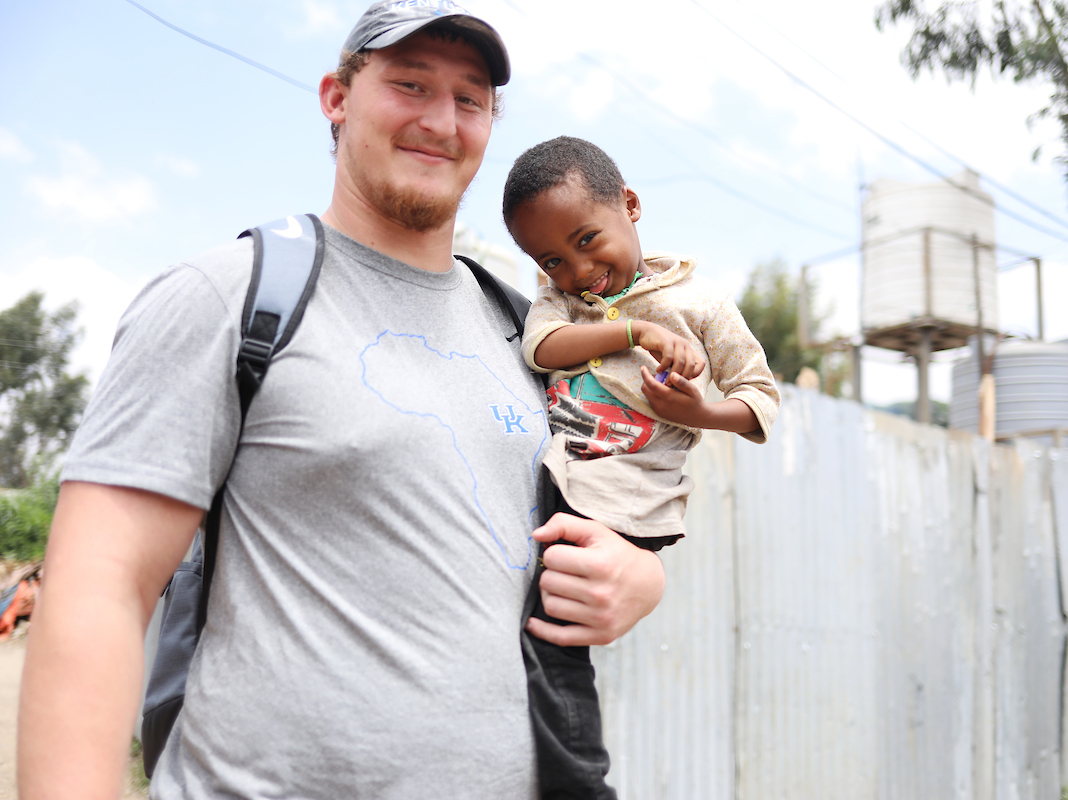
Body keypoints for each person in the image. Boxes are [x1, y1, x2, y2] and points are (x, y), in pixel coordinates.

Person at [17, 5, 666, 799]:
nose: (441, 121)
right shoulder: (230, 298)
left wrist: (641, 575)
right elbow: (99, 589)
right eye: (410, 85)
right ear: (336, 97)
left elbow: (615, 488)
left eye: (469, 99)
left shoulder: (529, 332)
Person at [502, 136, 780, 798]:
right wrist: (636, 332)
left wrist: (701, 411)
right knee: (520, 619)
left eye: (587, 239)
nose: (577, 270)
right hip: (562, 475)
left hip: (629, 493)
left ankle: (579, 783)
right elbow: (542, 348)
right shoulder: (559, 301)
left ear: (629, 204)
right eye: (551, 259)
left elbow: (760, 398)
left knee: (551, 641)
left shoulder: (700, 303)